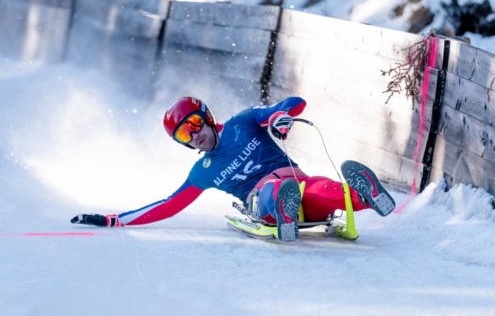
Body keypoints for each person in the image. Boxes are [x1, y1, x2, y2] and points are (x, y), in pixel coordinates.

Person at [71, 96, 391, 233]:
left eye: (194, 123)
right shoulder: (203, 172)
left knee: (321, 189)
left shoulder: (243, 122)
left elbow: (294, 103)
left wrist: (279, 117)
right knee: (274, 190)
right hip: (263, 198)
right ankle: (284, 208)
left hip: (299, 181)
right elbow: (168, 205)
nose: (194, 135)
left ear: (207, 116)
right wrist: (114, 220)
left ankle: (364, 194)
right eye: (183, 134)